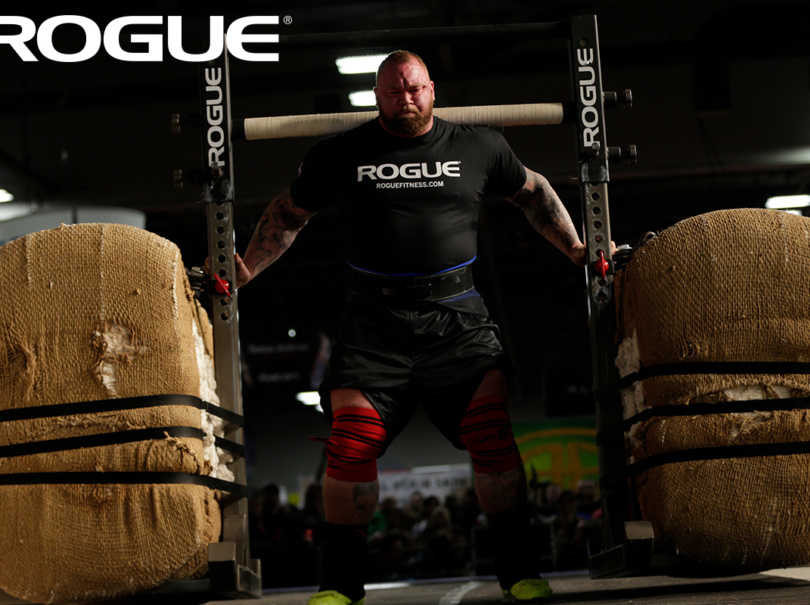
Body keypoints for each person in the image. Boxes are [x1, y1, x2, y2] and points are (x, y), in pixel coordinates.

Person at [234, 50, 587, 604]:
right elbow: (286, 214)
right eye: (395, 91)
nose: (407, 99)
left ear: (432, 90)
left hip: (457, 318)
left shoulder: (480, 145)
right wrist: (246, 270)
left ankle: (520, 573)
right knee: (350, 446)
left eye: (415, 88)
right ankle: (341, 586)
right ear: (378, 97)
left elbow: (535, 193)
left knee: (491, 436)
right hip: (373, 324)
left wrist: (577, 249)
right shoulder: (338, 153)